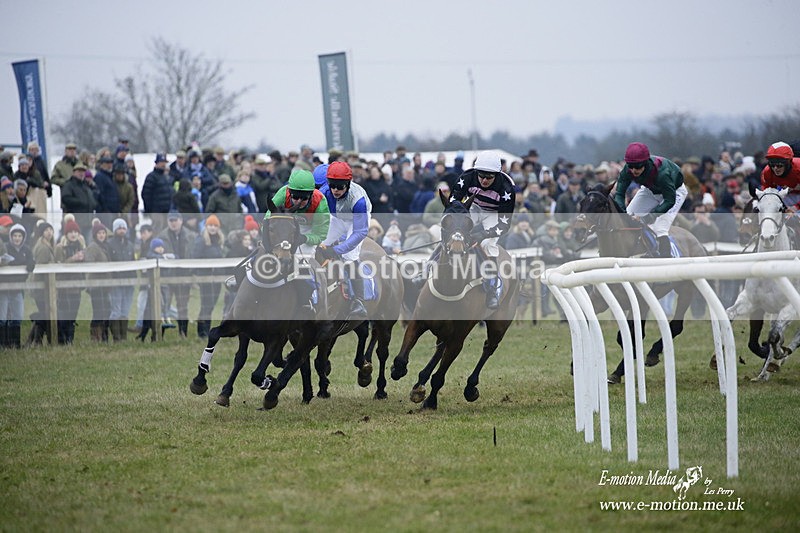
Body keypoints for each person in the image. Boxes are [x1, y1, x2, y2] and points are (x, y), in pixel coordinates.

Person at [450, 150, 516, 309]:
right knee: (453, 235)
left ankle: (492, 288)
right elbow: (453, 204)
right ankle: (428, 268)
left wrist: (483, 234)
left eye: (489, 177)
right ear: (476, 172)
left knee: (488, 244)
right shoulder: (466, 178)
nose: (485, 180)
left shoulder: (507, 189)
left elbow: (504, 225)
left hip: (494, 213)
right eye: (481, 176)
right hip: (473, 207)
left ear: (497, 175)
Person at [614, 142, 688, 258]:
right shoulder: (627, 170)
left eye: (637, 166)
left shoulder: (662, 173)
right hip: (650, 190)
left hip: (673, 193)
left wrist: (648, 217)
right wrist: (622, 212)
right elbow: (619, 194)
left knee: (660, 228)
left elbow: (669, 201)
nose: (633, 170)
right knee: (627, 217)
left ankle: (666, 263)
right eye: (631, 166)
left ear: (645, 163)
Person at [318, 161, 371, 318]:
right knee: (318, 244)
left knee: (349, 256)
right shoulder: (324, 192)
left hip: (356, 222)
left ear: (348, 184)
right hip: (338, 218)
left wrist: (337, 250)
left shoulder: (358, 200)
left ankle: (359, 302)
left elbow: (360, 232)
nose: (335, 190)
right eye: (332, 185)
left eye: (340, 186)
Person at [0, 224, 35, 348]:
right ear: (11, 236)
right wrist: (19, 262)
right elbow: (5, 261)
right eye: (15, 235)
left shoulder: (26, 250)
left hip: (18, 288)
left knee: (17, 316)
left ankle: (15, 344)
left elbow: (31, 260)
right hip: (4, 288)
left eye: (20, 236)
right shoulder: (5, 247)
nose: (17, 238)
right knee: (2, 317)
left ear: (23, 237)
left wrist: (30, 263)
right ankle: (3, 344)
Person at [54, 217, 85, 344]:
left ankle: (70, 340)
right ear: (66, 234)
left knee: (73, 315)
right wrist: (73, 259)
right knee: (63, 315)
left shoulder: (81, 247)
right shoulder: (60, 248)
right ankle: (62, 340)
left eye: (75, 232)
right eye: (71, 232)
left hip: (76, 287)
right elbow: (59, 266)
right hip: (63, 288)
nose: (73, 234)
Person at [193, 214, 225, 338]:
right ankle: (202, 331)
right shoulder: (201, 240)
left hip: (216, 278)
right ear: (206, 226)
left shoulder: (219, 241)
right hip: (205, 278)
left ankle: (206, 330)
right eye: (210, 225)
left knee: (211, 304)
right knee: (206, 304)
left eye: (215, 225)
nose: (212, 228)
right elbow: (195, 257)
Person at [107, 218, 136, 342]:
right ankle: (116, 337)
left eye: (124, 228)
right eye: (119, 228)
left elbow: (133, 262)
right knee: (116, 310)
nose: (122, 230)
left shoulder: (130, 244)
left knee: (125, 310)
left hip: (128, 281)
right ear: (114, 230)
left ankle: (123, 336)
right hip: (116, 281)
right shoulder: (109, 244)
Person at [84, 220, 112, 342]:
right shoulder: (93, 247)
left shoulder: (105, 246)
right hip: (96, 284)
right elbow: (89, 264)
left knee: (106, 310)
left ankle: (104, 336)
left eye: (103, 233)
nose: (101, 235)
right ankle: (95, 337)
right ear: (95, 235)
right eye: (99, 233)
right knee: (98, 311)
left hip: (105, 284)